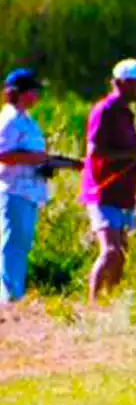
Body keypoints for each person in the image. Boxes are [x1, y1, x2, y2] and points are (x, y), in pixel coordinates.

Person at [80, 59, 136, 303]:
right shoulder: (105, 110)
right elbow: (96, 152)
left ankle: (109, 302)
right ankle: (92, 303)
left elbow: (125, 155)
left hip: (123, 193)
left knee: (121, 253)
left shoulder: (126, 114)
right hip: (103, 191)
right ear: (125, 83)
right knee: (111, 251)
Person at [0, 69, 62, 304]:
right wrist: (34, 159)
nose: (36, 95)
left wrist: (63, 163)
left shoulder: (27, 120)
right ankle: (9, 299)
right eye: (32, 91)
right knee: (11, 244)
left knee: (22, 244)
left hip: (29, 191)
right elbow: (3, 154)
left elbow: (37, 155)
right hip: (13, 190)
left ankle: (15, 294)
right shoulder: (9, 120)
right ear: (18, 93)